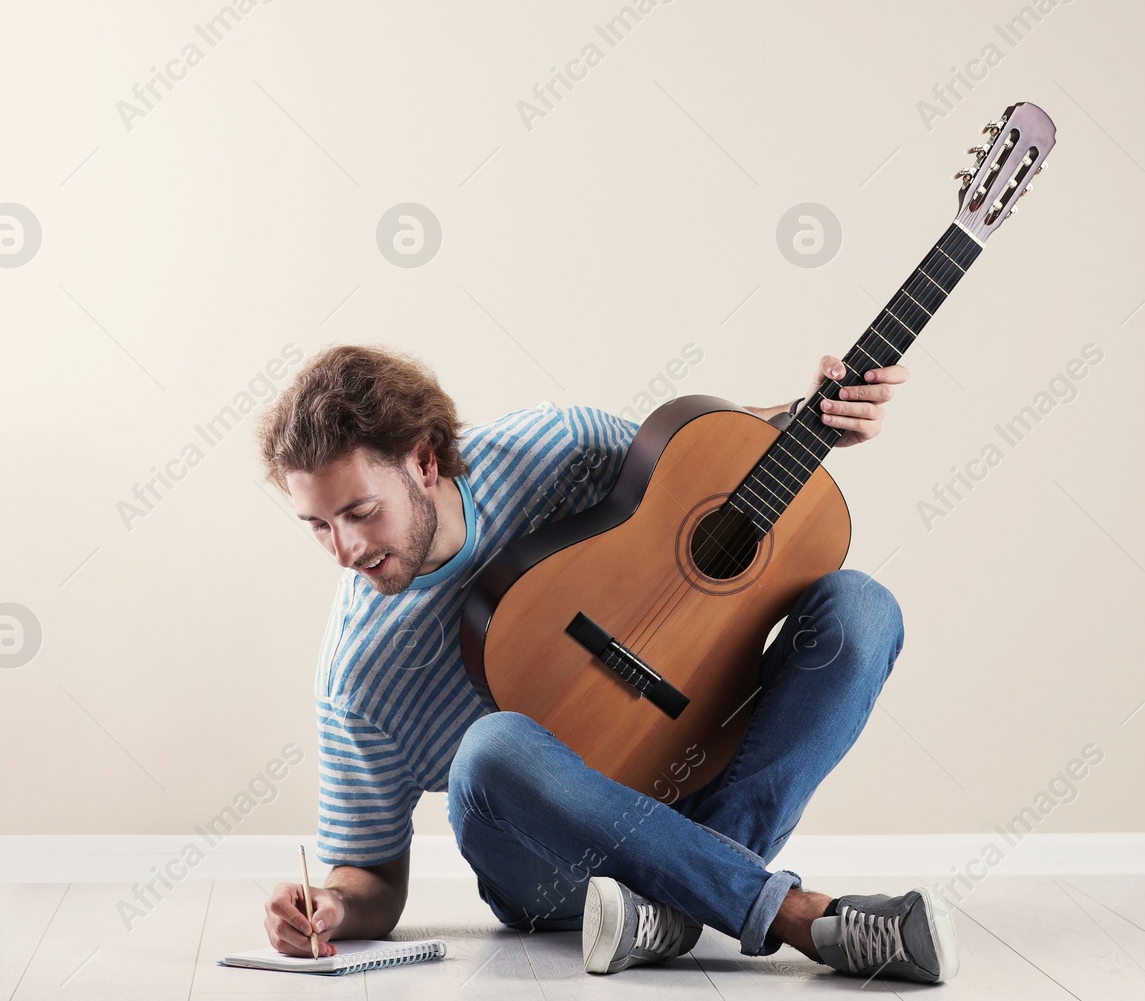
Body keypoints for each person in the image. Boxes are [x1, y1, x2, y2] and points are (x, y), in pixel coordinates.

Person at [256, 344, 956, 983]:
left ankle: (674, 911)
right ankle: (798, 916)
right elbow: (371, 876)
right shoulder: (358, 674)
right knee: (491, 748)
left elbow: (691, 463)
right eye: (318, 526)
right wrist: (330, 910)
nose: (344, 551)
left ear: (425, 460)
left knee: (861, 609)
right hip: (556, 879)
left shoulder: (553, 449)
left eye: (360, 512)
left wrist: (814, 415)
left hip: (697, 790)